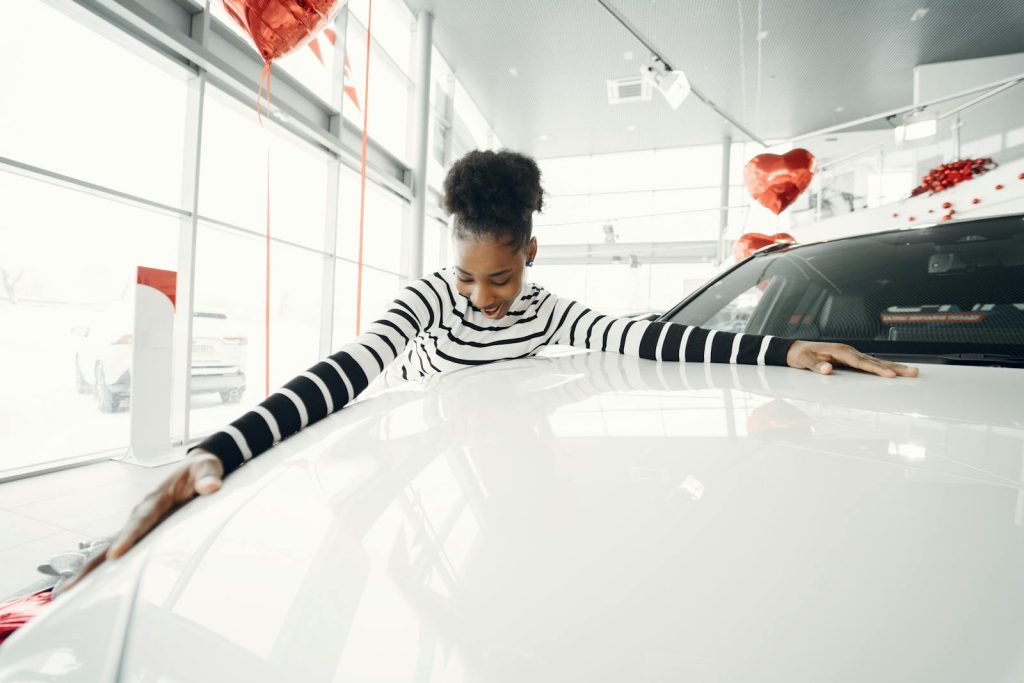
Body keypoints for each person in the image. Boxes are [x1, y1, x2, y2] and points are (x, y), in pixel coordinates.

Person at [62, 149, 917, 593]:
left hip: (511, 450)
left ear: (530, 255)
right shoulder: (435, 298)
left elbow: (650, 338)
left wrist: (784, 350)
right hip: (424, 452)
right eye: (468, 276)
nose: (482, 299)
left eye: (501, 278)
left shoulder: (544, 308)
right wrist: (221, 447)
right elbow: (349, 368)